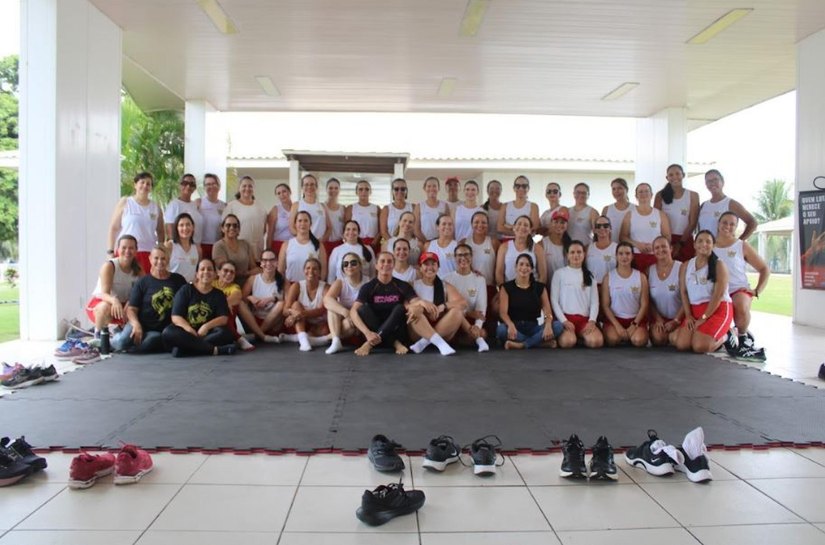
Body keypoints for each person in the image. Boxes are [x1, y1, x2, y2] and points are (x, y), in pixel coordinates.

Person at [714, 211, 770, 360]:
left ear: (736, 227)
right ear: (718, 224)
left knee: (740, 304)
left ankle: (743, 336)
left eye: (732, 224)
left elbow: (764, 269)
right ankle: (728, 333)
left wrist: (757, 290)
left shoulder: (741, 245)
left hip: (738, 289)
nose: (728, 226)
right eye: (724, 222)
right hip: (716, 292)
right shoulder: (708, 245)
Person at [112, 246, 186, 353]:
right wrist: (136, 325)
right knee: (122, 342)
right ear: (150, 259)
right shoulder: (142, 282)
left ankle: (128, 348)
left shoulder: (178, 280)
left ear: (168, 260)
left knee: (150, 342)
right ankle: (109, 340)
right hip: (139, 323)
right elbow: (131, 309)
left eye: (163, 258)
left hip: (160, 330)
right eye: (156, 258)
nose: (160, 262)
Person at [162, 258, 236, 357]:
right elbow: (176, 317)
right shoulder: (186, 290)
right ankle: (214, 350)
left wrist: (206, 326)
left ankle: (185, 348)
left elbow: (223, 318)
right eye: (202, 269)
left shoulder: (219, 294)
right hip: (185, 332)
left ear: (215, 274)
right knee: (168, 332)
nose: (206, 272)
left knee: (225, 333)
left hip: (207, 333)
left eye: (209, 269)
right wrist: (188, 329)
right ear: (197, 274)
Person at [674, 230, 733, 354]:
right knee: (682, 344)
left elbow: (718, 295)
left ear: (713, 245)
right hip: (695, 310)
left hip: (717, 309)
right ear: (694, 245)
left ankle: (727, 335)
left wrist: (704, 317)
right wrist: (689, 315)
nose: (704, 244)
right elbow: (684, 293)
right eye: (700, 241)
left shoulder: (719, 265)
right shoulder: (686, 266)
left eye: (708, 241)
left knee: (699, 347)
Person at [350, 252, 418, 356]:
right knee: (362, 309)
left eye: (389, 261)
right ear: (376, 265)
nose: (386, 264)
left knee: (400, 308)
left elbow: (415, 302)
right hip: (373, 332)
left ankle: (369, 345)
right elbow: (353, 311)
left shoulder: (403, 285)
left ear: (393, 265)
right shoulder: (368, 287)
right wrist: (367, 333)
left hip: (396, 331)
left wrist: (415, 306)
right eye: (382, 261)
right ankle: (395, 343)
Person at [497, 253, 560, 350]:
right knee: (501, 330)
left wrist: (547, 324)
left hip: (533, 327)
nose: (524, 268)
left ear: (531, 269)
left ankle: (522, 345)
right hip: (515, 327)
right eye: (521, 264)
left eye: (527, 265)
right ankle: (539, 343)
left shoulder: (539, 288)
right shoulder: (506, 287)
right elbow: (503, 313)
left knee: (558, 326)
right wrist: (510, 325)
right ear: (515, 267)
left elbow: (548, 312)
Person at [407, 252, 465, 355]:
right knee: (416, 310)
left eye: (433, 264)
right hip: (419, 330)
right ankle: (439, 343)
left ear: (438, 267)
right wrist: (421, 305)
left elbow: (462, 303)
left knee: (458, 312)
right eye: (426, 264)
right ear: (420, 267)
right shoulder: (413, 284)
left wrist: (444, 306)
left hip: (442, 328)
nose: (430, 267)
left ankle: (424, 343)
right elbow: (406, 306)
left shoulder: (444, 286)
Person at [214, 260, 279, 351]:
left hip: (226, 321)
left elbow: (237, 296)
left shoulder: (234, 287)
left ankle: (261, 336)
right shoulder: (211, 284)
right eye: (225, 270)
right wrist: (224, 304)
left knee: (240, 303)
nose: (229, 274)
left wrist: (223, 305)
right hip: (210, 319)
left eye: (232, 272)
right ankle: (238, 338)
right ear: (218, 272)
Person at [85, 234, 142, 337]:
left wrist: (130, 303)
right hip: (104, 303)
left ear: (136, 250)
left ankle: (119, 331)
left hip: (125, 307)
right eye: (124, 248)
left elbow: (141, 292)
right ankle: (98, 336)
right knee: (105, 307)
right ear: (117, 249)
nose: (127, 251)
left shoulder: (139, 269)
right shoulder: (109, 266)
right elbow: (104, 294)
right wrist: (114, 300)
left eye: (131, 248)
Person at [108, 171, 163, 274]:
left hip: (148, 253)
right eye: (142, 182)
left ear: (151, 188)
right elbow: (113, 228)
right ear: (135, 185)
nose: (145, 186)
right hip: (126, 252)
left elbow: (160, 231)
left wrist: (160, 251)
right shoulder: (125, 202)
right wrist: (110, 251)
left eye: (148, 184)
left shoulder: (156, 207)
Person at [551, 240, 604, 348]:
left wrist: (592, 321)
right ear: (567, 255)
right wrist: (564, 321)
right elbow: (554, 301)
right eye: (572, 252)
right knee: (568, 342)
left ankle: (579, 337)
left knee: (596, 342)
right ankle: (571, 337)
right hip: (565, 319)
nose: (576, 255)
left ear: (584, 254)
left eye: (579, 252)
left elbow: (595, 302)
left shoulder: (590, 276)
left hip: (584, 320)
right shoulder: (559, 274)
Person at [600, 242, 650, 347]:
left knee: (638, 341)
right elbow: (605, 305)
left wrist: (634, 325)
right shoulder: (608, 277)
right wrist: (617, 326)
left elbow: (644, 304)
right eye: (621, 253)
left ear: (632, 256)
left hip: (635, 319)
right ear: (616, 256)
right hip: (615, 320)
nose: (624, 257)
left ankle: (632, 334)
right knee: (613, 340)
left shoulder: (641, 277)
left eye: (627, 253)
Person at [444, 243, 490, 352]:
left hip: (471, 321)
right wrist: (467, 313)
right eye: (459, 255)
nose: (463, 258)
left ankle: (465, 338)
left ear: (471, 256)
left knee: (482, 333)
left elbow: (481, 307)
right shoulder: (446, 279)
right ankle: (465, 339)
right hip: (453, 319)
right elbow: (447, 306)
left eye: (466, 255)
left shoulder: (480, 279)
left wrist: (477, 327)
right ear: (455, 258)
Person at [281, 258, 330, 352]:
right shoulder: (296, 286)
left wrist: (300, 314)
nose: (311, 271)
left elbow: (321, 310)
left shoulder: (326, 287)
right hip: (300, 322)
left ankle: (297, 338)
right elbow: (285, 310)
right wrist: (294, 312)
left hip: (319, 325)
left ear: (319, 272)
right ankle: (304, 341)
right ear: (304, 271)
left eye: (315, 269)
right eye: (308, 268)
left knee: (325, 331)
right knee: (295, 305)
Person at [324, 252, 368, 354]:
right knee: (331, 307)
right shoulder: (340, 282)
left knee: (350, 325)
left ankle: (325, 339)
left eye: (353, 263)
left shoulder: (368, 282)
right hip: (341, 319)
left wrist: (353, 316)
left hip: (357, 322)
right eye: (346, 264)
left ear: (360, 265)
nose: (349, 266)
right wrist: (345, 312)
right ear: (343, 268)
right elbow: (327, 300)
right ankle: (335, 340)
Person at [621, 183, 671, 271]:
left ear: (651, 195)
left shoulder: (660, 214)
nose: (643, 194)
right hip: (636, 256)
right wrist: (637, 244)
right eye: (640, 192)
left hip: (656, 256)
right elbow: (623, 237)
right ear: (636, 196)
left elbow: (667, 237)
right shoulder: (629, 215)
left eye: (646, 191)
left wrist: (655, 245)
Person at [654, 164, 699, 261]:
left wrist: (680, 243)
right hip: (665, 240)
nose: (674, 177)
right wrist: (666, 242)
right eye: (671, 175)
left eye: (678, 174)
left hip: (685, 239)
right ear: (667, 178)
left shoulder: (693, 195)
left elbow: (692, 223)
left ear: (683, 175)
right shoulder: (660, 195)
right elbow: (656, 220)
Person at [698, 169, 757, 238]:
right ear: (706, 185)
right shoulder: (704, 205)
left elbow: (753, 223)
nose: (712, 183)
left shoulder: (731, 204)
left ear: (722, 182)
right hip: (704, 247)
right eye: (709, 181)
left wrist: (738, 243)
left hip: (723, 248)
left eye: (715, 179)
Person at [647, 236, 684, 347]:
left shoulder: (681, 268)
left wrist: (676, 320)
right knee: (658, 340)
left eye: (664, 246)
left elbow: (688, 298)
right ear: (653, 251)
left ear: (671, 248)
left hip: (680, 318)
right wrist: (658, 319)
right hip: (661, 320)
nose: (660, 250)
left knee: (677, 341)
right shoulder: (649, 271)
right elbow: (648, 301)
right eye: (657, 247)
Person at [242, 249, 287, 340]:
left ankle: (258, 334)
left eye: (272, 260)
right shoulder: (253, 279)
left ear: (277, 262)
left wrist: (272, 299)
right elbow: (242, 298)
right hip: (254, 320)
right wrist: (251, 298)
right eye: (265, 260)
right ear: (261, 263)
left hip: (274, 323)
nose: (268, 263)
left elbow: (288, 302)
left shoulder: (284, 281)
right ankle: (261, 335)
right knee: (240, 304)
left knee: (281, 304)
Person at [223, 175, 268, 260]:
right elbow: (224, 229)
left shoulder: (260, 206)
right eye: (244, 186)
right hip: (237, 250)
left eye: (250, 186)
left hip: (257, 250)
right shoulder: (231, 206)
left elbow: (264, 228)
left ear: (254, 189)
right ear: (239, 188)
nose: (247, 188)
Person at [279, 210, 327, 288]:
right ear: (295, 224)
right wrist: (286, 289)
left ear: (310, 224)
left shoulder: (319, 245)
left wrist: (317, 288)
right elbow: (280, 271)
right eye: (300, 221)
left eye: (306, 221)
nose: (302, 224)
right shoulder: (286, 245)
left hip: (312, 287)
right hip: (290, 286)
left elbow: (323, 271)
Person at [497, 215, 547, 285]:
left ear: (530, 230)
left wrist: (536, 292)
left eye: (526, 225)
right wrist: (504, 291)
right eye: (519, 224)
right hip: (509, 291)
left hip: (531, 291)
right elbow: (499, 273)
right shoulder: (504, 247)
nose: (522, 227)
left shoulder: (537, 248)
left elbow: (543, 276)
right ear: (514, 228)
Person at [212, 214, 260, 288]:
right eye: (228, 225)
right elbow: (226, 271)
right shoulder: (218, 246)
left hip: (247, 284)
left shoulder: (245, 244)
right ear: (222, 228)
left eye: (235, 226)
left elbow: (253, 267)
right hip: (227, 286)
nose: (232, 228)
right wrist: (247, 273)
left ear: (239, 229)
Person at [164, 173, 204, 247]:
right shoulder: (174, 205)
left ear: (194, 188)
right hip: (181, 247)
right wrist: (178, 247)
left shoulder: (195, 205)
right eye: (185, 183)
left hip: (196, 247)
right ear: (180, 186)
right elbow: (169, 229)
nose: (188, 186)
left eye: (192, 184)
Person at [289, 174, 331, 242]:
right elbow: (291, 227)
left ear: (316, 187)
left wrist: (322, 240)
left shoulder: (322, 206)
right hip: (303, 243)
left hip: (320, 244)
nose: (309, 187)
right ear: (302, 187)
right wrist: (305, 239)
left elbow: (329, 228)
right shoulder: (296, 205)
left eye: (312, 184)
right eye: (306, 184)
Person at [196, 173, 227, 259]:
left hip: (219, 245)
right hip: (202, 245)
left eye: (214, 184)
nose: (211, 186)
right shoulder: (198, 203)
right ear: (204, 187)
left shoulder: (224, 206)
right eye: (208, 184)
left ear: (219, 186)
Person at [164, 212, 200, 282]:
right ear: (176, 228)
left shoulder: (197, 249)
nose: (185, 228)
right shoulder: (169, 246)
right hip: (172, 287)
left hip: (189, 289)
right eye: (181, 225)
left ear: (193, 227)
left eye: (188, 224)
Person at [346, 180, 380, 250]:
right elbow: (346, 228)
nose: (364, 192)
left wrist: (374, 243)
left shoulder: (376, 208)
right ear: (356, 192)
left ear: (370, 192)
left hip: (374, 243)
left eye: (367, 189)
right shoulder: (351, 208)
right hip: (355, 242)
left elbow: (381, 229)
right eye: (360, 189)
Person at [414, 176, 450, 242]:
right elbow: (416, 229)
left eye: (434, 186)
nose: (432, 188)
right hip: (424, 243)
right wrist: (427, 243)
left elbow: (448, 227)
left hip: (441, 243)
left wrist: (438, 243)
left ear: (438, 188)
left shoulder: (445, 205)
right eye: (429, 186)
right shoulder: (419, 206)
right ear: (424, 188)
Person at [380, 178, 413, 244]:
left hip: (409, 244)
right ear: (392, 191)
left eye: (403, 189)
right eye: (396, 189)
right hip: (391, 244)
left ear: (406, 191)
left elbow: (415, 229)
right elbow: (383, 232)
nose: (400, 191)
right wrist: (394, 243)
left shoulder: (413, 207)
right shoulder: (386, 209)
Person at [424, 214, 459, 278]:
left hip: (453, 284)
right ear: (437, 227)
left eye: (450, 224)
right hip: (434, 284)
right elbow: (423, 266)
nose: (447, 226)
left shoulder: (458, 246)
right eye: (444, 224)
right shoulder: (428, 245)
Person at [265, 183, 294, 257]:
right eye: (278, 193)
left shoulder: (297, 207)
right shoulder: (275, 209)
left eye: (284, 191)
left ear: (289, 192)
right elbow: (270, 233)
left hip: (293, 245)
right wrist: (268, 251)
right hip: (278, 245)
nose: (282, 195)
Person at [541, 209, 570, 285]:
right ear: (551, 223)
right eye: (556, 222)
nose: (559, 225)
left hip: (566, 288)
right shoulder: (542, 244)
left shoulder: (571, 245)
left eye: (562, 222)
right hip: (547, 288)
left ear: (567, 225)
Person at [586, 216, 617, 285]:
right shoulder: (588, 248)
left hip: (611, 287)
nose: (602, 228)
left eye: (605, 226)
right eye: (598, 226)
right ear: (594, 230)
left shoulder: (617, 248)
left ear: (610, 228)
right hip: (592, 288)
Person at [601, 178, 633, 244]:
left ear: (626, 190)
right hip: (611, 249)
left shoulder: (635, 209)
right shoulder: (606, 209)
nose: (616, 191)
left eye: (620, 188)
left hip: (629, 249)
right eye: (614, 189)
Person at [567, 183, 599, 247]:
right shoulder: (567, 211)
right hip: (569, 249)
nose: (581, 195)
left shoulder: (592, 212)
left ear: (588, 195)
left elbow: (597, 235)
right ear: (574, 194)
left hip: (585, 249)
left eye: (584, 193)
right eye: (578, 192)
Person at [323, 177, 345, 257]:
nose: (333, 190)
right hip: (325, 244)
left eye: (336, 188)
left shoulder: (343, 209)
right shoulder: (321, 207)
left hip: (339, 244)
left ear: (339, 190)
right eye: (330, 188)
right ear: (326, 189)